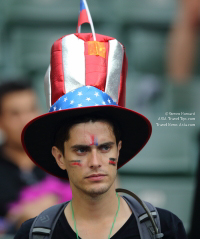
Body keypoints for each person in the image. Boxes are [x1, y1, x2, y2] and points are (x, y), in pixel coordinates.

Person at [14, 28, 187, 238]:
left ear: (119, 149)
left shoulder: (163, 228)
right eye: (81, 150)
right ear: (59, 157)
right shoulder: (35, 234)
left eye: (105, 147)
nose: (95, 161)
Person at [0, 80, 72, 234]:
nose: (26, 119)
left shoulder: (61, 156)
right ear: (1, 120)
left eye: (31, 109)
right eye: (15, 113)